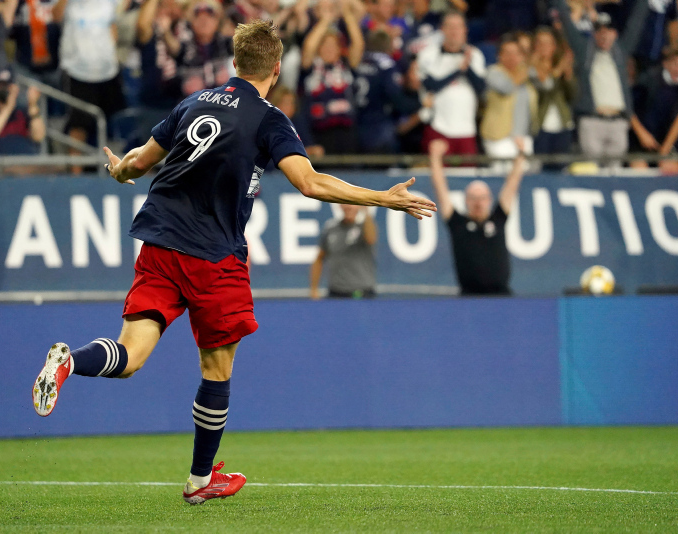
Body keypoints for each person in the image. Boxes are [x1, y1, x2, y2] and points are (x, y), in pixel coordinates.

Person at [31, 20, 435, 506]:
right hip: (213, 255)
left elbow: (140, 161)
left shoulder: (193, 102)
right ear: (277, 68)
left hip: (159, 243)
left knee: (131, 354)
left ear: (235, 64)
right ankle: (200, 480)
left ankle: (70, 361)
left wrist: (119, 170)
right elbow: (309, 183)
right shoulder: (269, 118)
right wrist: (381, 198)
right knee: (216, 371)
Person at [555, 0, 650, 162]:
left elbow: (637, 21)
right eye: (600, 31)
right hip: (592, 120)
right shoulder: (584, 51)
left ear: (615, 34)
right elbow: (566, 20)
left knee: (614, 175)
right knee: (592, 171)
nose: (604, 35)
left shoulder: (621, 52)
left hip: (618, 122)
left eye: (609, 31)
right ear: (594, 34)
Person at [428, 137, 525, 295]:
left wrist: (520, 153)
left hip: (501, 296)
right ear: (466, 201)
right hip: (469, 298)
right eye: (473, 198)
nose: (478, 203)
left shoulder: (498, 219)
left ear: (489, 200)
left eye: (482, 198)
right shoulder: (457, 224)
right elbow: (440, 187)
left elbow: (513, 183)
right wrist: (435, 157)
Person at [54, 0, 126, 173]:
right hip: (77, 70)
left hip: (107, 71)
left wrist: (112, 56)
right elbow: (55, 16)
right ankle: (76, 176)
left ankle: (114, 174)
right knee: (78, 125)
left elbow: (113, 25)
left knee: (110, 122)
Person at [416, 10, 485, 157]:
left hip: (467, 128)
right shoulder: (428, 54)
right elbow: (431, 86)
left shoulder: (475, 55)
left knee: (467, 176)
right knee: (435, 174)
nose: (454, 31)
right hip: (438, 126)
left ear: (465, 30)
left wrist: (468, 68)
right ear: (442, 29)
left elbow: (481, 88)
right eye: (450, 26)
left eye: (458, 27)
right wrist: (459, 70)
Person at [300, 0, 364, 154]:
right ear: (319, 48)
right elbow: (308, 47)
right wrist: (325, 21)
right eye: (325, 45)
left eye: (333, 45)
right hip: (319, 132)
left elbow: (358, 45)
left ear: (339, 49)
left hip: (347, 131)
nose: (329, 49)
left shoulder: (345, 66)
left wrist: (347, 15)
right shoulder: (311, 67)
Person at [630, 44, 678, 168]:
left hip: (664, 141)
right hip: (641, 139)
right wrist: (642, 134)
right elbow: (629, 110)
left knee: (673, 166)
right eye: (676, 64)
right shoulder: (649, 80)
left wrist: (665, 150)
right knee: (639, 168)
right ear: (666, 64)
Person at [480, 34, 538, 159]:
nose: (512, 57)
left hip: (523, 136)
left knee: (526, 176)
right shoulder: (493, 72)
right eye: (507, 53)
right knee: (503, 175)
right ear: (499, 55)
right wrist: (526, 67)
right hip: (499, 137)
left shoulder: (526, 77)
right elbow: (507, 88)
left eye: (516, 53)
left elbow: (546, 84)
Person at [0, 70, 46, 156]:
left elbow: (38, 136)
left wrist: (32, 105)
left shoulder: (21, 110)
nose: (5, 89)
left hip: (26, 162)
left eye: (8, 86)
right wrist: (8, 108)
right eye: (1, 86)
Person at [310, 205, 378, 299]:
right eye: (345, 203)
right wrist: (314, 289)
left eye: (352, 204)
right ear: (340, 206)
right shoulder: (330, 229)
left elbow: (371, 239)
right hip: (335, 293)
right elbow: (319, 259)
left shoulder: (364, 227)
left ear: (358, 206)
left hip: (362, 293)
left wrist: (366, 213)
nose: (348, 207)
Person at [530, 26, 576, 159]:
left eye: (548, 43)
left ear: (554, 46)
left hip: (563, 124)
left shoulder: (560, 68)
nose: (544, 47)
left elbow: (573, 95)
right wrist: (559, 70)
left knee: (561, 167)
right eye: (540, 43)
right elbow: (546, 87)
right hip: (540, 126)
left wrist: (568, 77)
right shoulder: (530, 68)